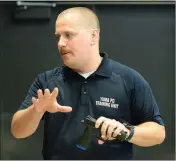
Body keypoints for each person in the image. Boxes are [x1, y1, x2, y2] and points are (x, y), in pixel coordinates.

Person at [11, 7, 166, 160]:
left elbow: (158, 133)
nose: (60, 43)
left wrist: (127, 131)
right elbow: (17, 131)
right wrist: (36, 111)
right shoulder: (47, 81)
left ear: (93, 36)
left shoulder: (129, 79)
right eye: (58, 36)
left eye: (68, 35)